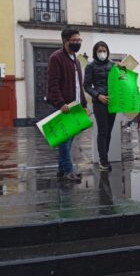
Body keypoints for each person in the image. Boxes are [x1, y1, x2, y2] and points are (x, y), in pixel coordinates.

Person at [46, 27, 87, 182]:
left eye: (79, 40)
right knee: (64, 140)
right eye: (74, 40)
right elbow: (53, 83)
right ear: (65, 41)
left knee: (69, 140)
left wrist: (83, 103)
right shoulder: (56, 58)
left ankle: (61, 170)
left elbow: (79, 84)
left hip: (74, 106)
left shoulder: (76, 60)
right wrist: (60, 103)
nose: (77, 43)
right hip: (63, 107)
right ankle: (69, 171)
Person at [84, 41, 117, 171]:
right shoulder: (90, 67)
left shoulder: (113, 65)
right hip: (99, 102)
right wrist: (98, 96)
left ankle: (105, 156)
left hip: (112, 102)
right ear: (95, 52)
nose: (102, 53)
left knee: (109, 131)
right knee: (102, 131)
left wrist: (123, 70)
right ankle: (103, 160)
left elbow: (122, 78)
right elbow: (86, 85)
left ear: (107, 51)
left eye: (104, 50)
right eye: (99, 51)